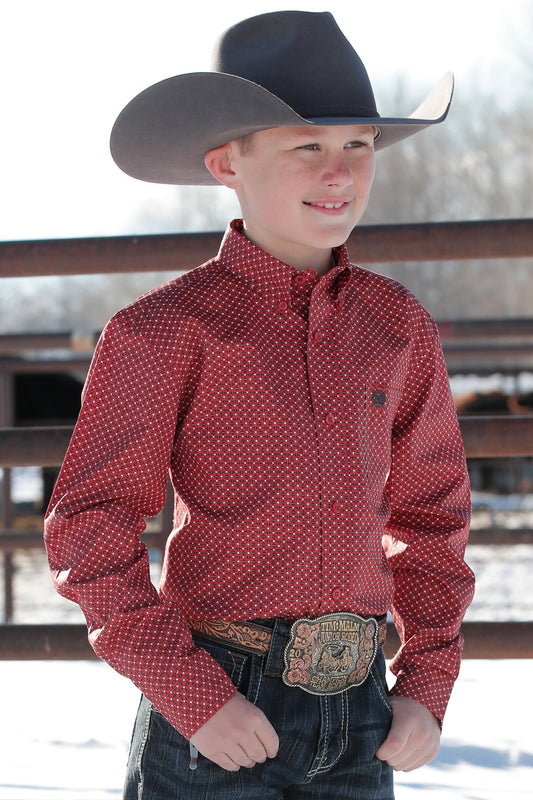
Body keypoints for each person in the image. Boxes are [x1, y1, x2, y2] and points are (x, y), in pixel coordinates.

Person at [44, 10, 475, 800]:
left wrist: (427, 679)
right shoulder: (163, 331)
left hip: (362, 711)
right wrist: (193, 696)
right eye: (305, 146)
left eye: (357, 145)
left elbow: (430, 521)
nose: (338, 171)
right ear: (225, 164)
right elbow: (89, 526)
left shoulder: (397, 325)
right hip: (216, 702)